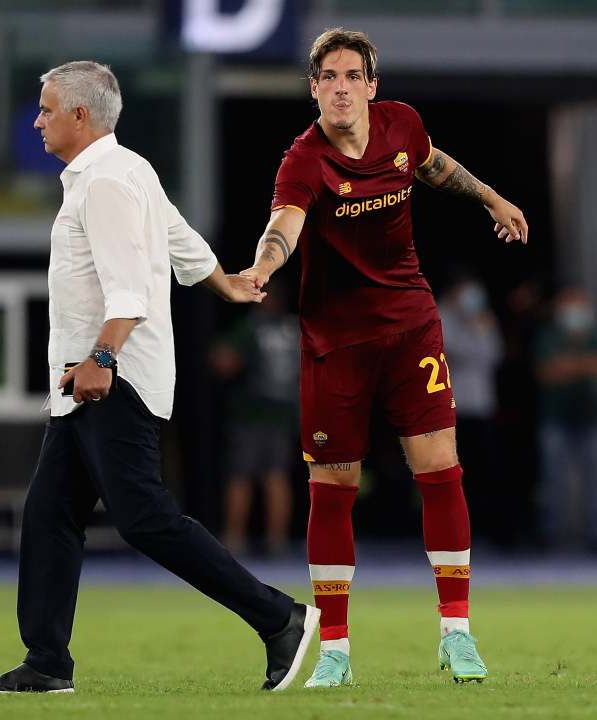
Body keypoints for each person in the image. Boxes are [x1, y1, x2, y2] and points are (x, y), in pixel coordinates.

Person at [0, 61, 318, 695]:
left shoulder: (103, 183)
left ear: (81, 115)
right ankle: (46, 661)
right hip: (90, 381)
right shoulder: (130, 169)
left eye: (46, 109)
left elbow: (128, 291)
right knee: (49, 515)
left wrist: (102, 360)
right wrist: (226, 281)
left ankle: (279, 618)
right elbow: (179, 238)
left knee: (144, 518)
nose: (37, 120)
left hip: (112, 376)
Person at [238, 28, 529, 687]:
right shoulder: (303, 161)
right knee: (333, 488)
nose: (340, 86)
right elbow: (284, 224)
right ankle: (335, 649)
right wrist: (263, 265)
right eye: (327, 77)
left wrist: (491, 197)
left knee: (441, 469)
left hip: (408, 328)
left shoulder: (402, 126)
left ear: (372, 86)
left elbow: (435, 165)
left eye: (351, 76)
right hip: (334, 343)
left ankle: (457, 633)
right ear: (313, 89)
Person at [210, 287, 300, 557]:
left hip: (250, 414)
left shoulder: (250, 328)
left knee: (241, 476)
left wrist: (217, 354)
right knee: (277, 477)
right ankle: (277, 541)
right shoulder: (294, 330)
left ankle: (234, 539)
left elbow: (225, 364)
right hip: (283, 415)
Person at [533, 287, 597, 551]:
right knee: (553, 479)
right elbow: (547, 372)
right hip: (556, 417)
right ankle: (551, 533)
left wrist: (569, 366)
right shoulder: (549, 336)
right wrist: (584, 366)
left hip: (593, 416)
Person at [436, 275, 504, 545]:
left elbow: (494, 354)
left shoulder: (482, 318)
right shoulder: (441, 314)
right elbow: (450, 352)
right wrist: (474, 333)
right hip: (451, 406)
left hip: (482, 405)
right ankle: (449, 533)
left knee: (483, 470)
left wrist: (480, 329)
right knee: (450, 473)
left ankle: (483, 529)